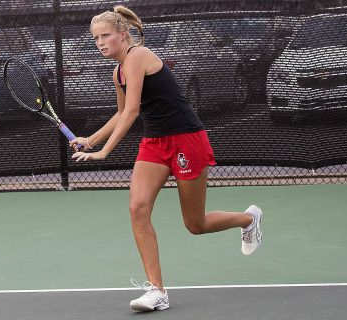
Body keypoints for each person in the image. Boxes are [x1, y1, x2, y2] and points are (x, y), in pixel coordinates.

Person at [69, 5, 263, 312]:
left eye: (106, 35)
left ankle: (249, 219)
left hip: (186, 139)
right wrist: (90, 140)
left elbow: (132, 111)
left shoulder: (139, 56)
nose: (101, 43)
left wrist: (104, 151)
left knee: (195, 224)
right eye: (95, 38)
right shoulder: (117, 71)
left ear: (123, 35)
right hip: (154, 144)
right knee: (138, 208)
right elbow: (120, 112)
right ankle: (157, 291)